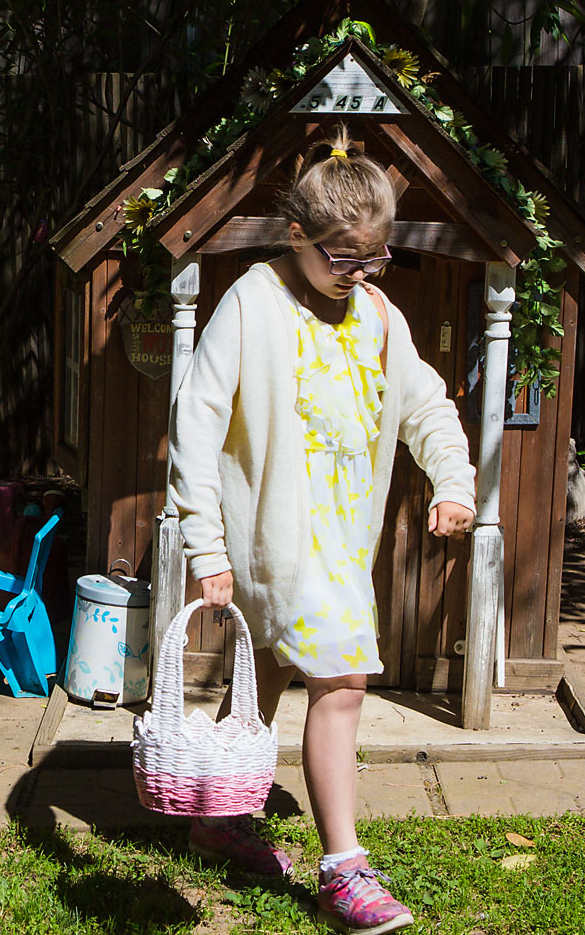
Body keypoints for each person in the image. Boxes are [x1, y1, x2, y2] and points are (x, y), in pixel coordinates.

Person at [166, 128, 477, 934]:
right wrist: (205, 543)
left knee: (263, 676)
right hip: (273, 545)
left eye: (374, 257)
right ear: (297, 233)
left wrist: (453, 477)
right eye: (343, 257)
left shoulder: (377, 312)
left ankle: (222, 814)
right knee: (341, 682)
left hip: (344, 549)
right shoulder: (253, 301)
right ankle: (344, 866)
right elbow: (195, 424)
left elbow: (425, 404)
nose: (359, 274)